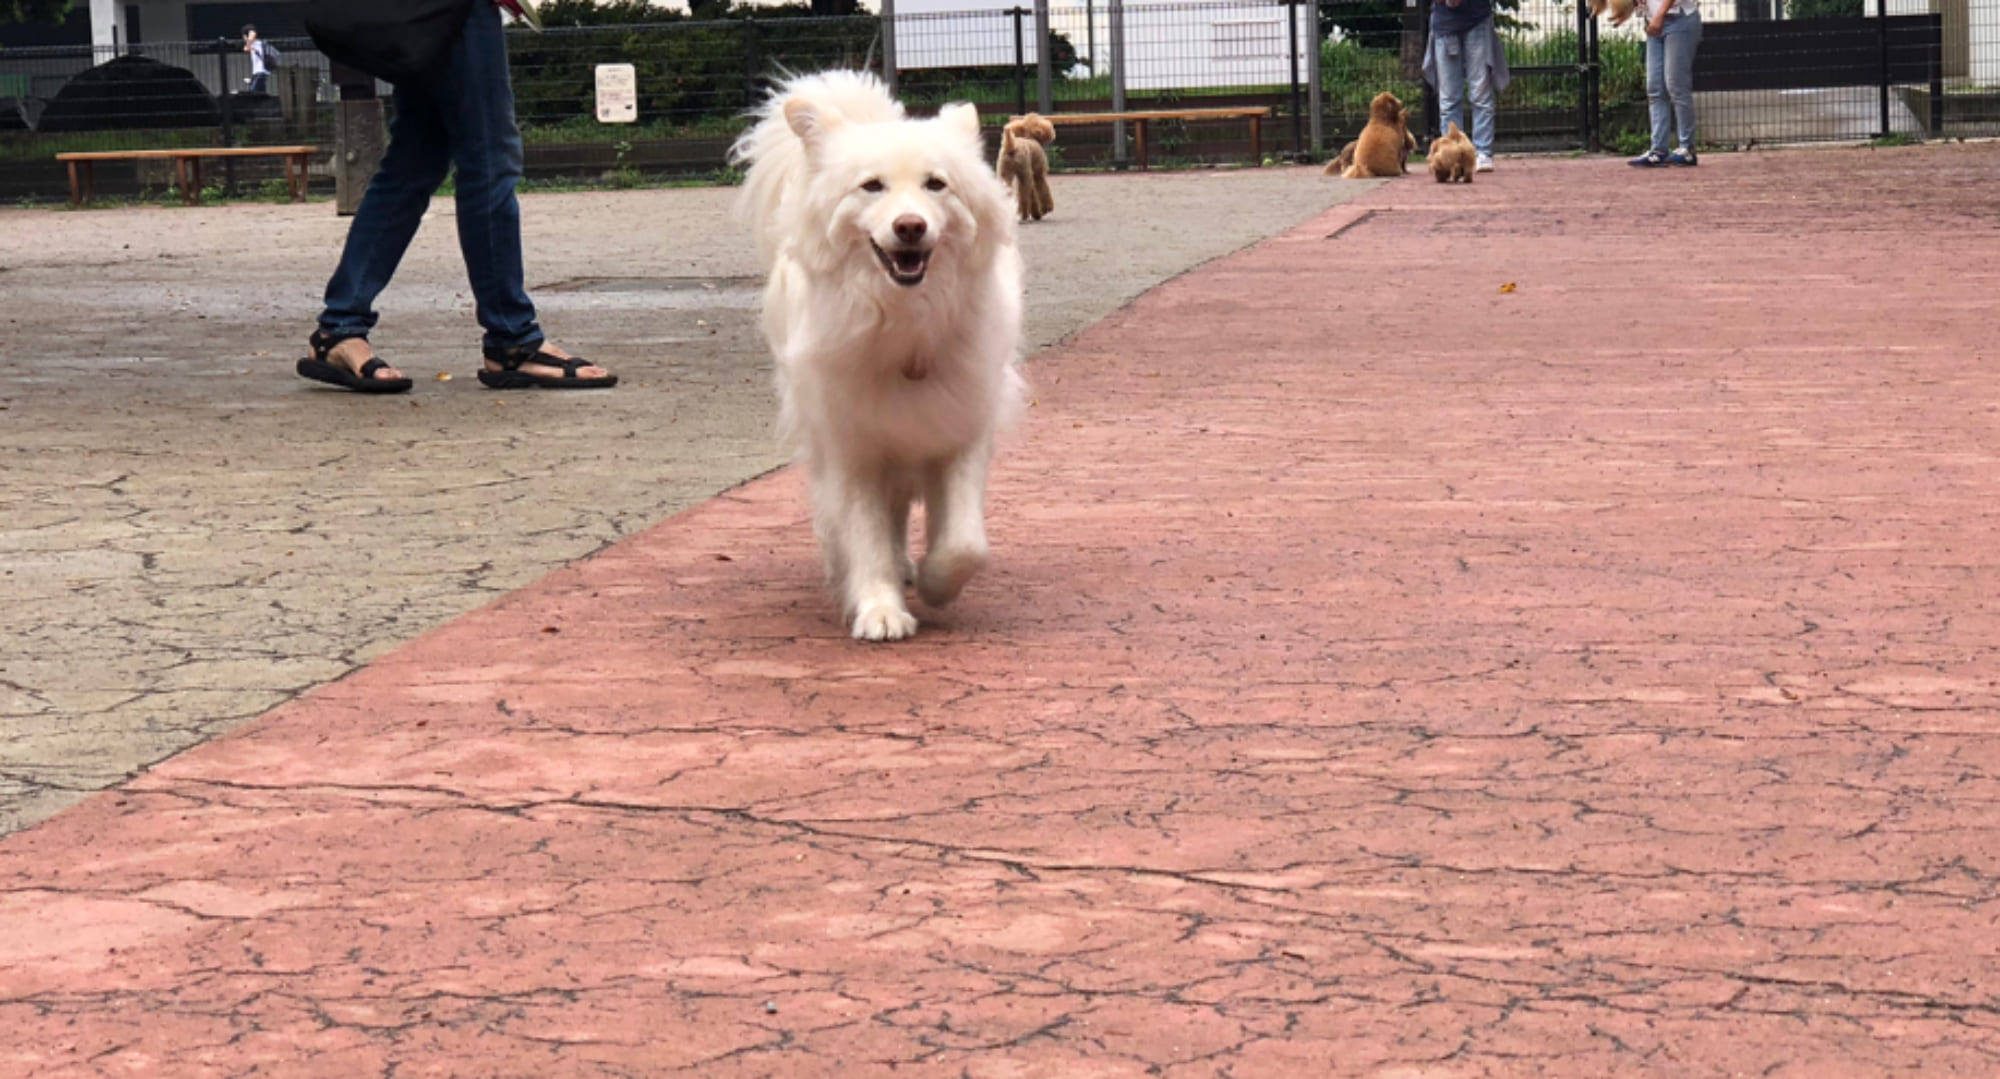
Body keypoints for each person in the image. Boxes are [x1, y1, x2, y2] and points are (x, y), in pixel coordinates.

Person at [296, 0, 615, 393]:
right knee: (488, 160)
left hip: (429, 13)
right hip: (457, 9)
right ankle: (512, 337)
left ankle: (340, 328)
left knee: (415, 161)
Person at [1423, 0, 1510, 174]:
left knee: (1480, 92)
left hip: (1476, 19)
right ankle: (1453, 154)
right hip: (1445, 25)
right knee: (1449, 98)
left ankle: (1482, 153)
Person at [1624, 0, 1702, 167]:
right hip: (1654, 23)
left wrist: (1659, 15)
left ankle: (1687, 148)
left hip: (1679, 18)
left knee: (1676, 85)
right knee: (1655, 87)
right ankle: (1658, 149)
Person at [242, 25, 269, 95]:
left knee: (253, 93)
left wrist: (247, 45)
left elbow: (252, 33)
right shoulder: (255, 44)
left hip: (260, 72)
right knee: (261, 94)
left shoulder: (256, 43)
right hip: (258, 73)